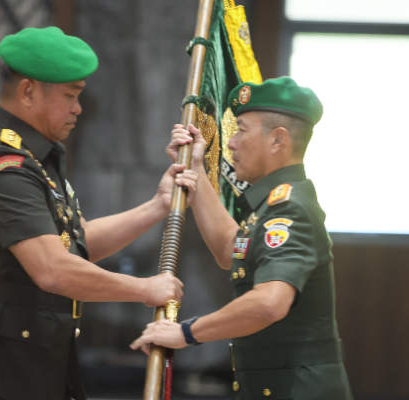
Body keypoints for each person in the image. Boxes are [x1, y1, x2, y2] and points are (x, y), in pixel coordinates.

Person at [0, 27, 197, 400]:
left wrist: (157, 206)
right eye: (70, 95)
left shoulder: (37, 154)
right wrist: (144, 289)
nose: (78, 108)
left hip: (25, 367)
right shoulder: (2, 162)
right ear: (28, 91)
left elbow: (77, 243)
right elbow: (52, 269)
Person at [131, 77, 353, 399]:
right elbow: (229, 249)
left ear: (278, 140)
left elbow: (269, 302)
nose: (231, 143)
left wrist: (185, 332)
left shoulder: (289, 208)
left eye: (241, 131)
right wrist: (196, 167)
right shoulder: (273, 205)